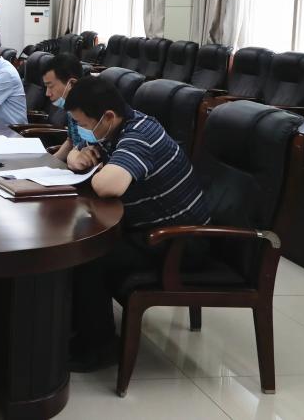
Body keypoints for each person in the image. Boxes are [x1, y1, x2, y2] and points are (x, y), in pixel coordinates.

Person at [64, 76, 210, 371]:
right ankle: (77, 328)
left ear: (107, 116)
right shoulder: (114, 129)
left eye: (83, 123)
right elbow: (78, 150)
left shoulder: (141, 134)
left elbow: (109, 186)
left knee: (88, 254)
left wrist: (93, 167)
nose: (81, 130)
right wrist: (75, 156)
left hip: (181, 242)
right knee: (78, 238)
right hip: (148, 229)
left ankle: (100, 346)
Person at [40, 53, 85, 163]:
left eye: (50, 86)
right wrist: (48, 164)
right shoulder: (71, 108)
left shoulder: (93, 111)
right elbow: (71, 141)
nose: (47, 93)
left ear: (72, 83)